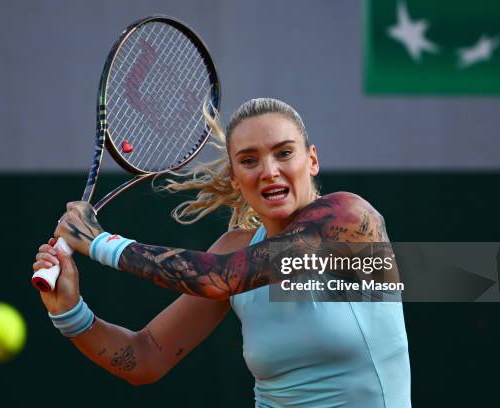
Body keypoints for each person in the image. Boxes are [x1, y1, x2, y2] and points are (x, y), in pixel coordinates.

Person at [33, 98, 411, 407]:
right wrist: (68, 310)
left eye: (284, 153)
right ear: (235, 176)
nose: (269, 171)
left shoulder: (348, 218)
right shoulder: (234, 248)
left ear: (311, 160)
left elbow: (219, 277)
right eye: (249, 160)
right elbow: (145, 356)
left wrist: (99, 242)